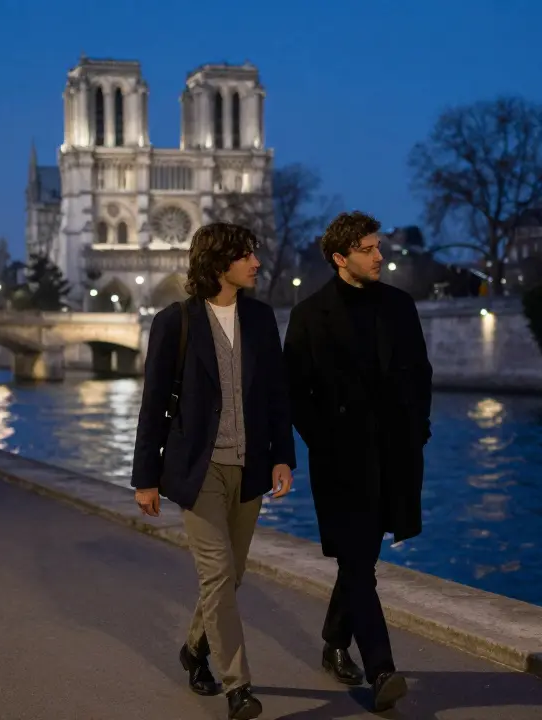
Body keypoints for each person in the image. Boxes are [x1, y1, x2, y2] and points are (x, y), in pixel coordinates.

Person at [130, 222, 295, 720]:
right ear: (219, 263)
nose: (257, 263)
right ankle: (238, 686)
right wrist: (146, 477)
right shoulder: (175, 322)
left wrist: (282, 454)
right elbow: (154, 404)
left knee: (232, 576)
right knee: (219, 575)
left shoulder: (262, 319)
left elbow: (275, 395)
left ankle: (195, 648)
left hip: (250, 468)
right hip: (197, 469)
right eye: (246, 255)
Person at [282, 210, 433, 713]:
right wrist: (321, 440)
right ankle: (382, 667)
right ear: (340, 258)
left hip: (393, 455)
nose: (379, 255)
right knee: (356, 562)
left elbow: (420, 373)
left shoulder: (400, 306)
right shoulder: (309, 315)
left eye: (379, 246)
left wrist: (419, 431)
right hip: (341, 459)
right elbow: (294, 391)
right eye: (368, 249)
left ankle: (332, 639)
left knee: (361, 560)